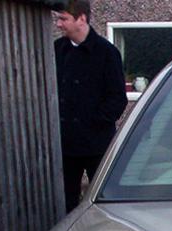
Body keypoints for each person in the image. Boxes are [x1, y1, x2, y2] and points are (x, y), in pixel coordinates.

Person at [52, 1, 127, 212]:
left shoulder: (107, 53)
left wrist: (94, 122)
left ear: (81, 19)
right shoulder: (57, 50)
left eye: (63, 19)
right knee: (64, 204)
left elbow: (117, 99)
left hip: (97, 145)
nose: (58, 24)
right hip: (65, 146)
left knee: (104, 201)